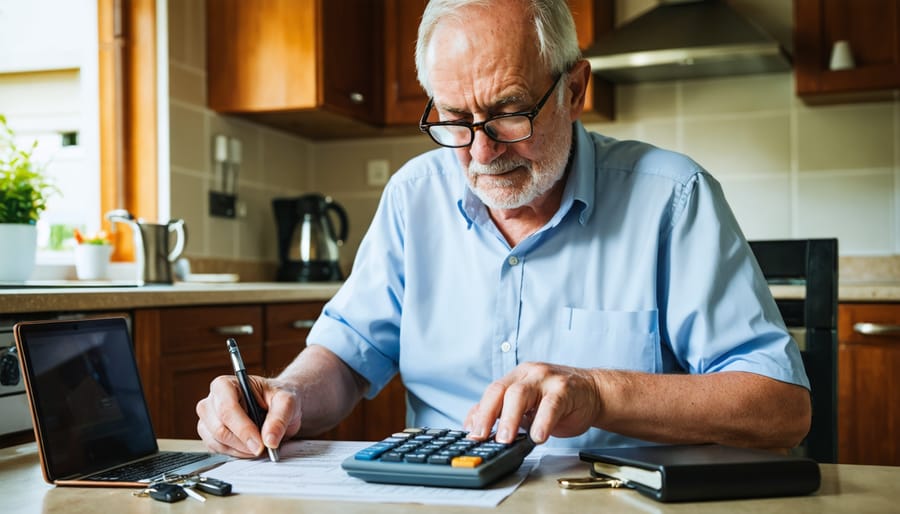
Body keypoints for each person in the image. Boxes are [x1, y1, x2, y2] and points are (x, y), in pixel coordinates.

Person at [197, 0, 811, 458]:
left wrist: (597, 392)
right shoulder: (416, 195)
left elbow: (781, 408)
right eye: (456, 120)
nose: (482, 153)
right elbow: (347, 356)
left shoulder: (673, 199)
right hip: (444, 495)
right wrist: (285, 395)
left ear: (573, 89)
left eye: (510, 112)